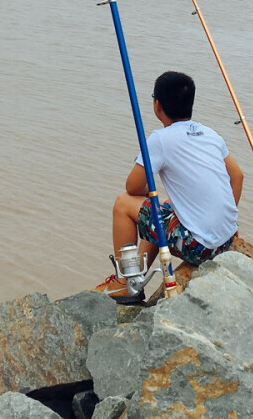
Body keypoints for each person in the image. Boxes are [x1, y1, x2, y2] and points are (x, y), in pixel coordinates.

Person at [96, 71, 243, 293]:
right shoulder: (211, 134)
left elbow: (132, 188)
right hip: (226, 240)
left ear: (157, 106)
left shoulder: (160, 140)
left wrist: (146, 193)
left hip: (200, 247)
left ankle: (125, 282)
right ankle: (137, 276)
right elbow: (238, 177)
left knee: (123, 204)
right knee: (160, 208)